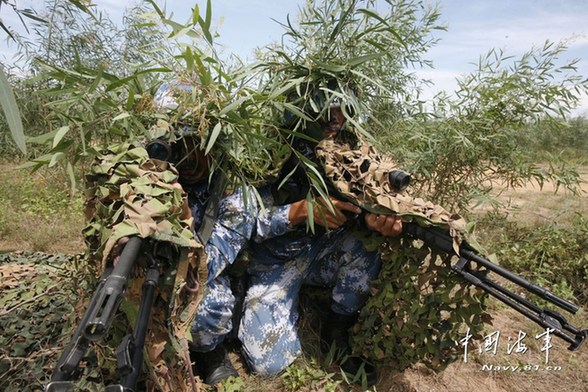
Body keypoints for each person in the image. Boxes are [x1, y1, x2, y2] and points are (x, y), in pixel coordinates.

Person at [238, 83, 402, 386]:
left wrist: (374, 221)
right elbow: (242, 223)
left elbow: (367, 198)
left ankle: (336, 331)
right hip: (275, 262)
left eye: (344, 111)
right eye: (328, 109)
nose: (336, 119)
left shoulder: (350, 148)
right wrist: (299, 211)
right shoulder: (268, 150)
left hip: (322, 250)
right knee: (268, 363)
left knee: (366, 247)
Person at [151, 81, 258, 386]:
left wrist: (182, 216)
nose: (184, 158)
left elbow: (206, 266)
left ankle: (209, 351)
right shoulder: (152, 176)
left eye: (193, 143)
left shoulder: (233, 192)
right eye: (175, 144)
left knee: (209, 304)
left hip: (199, 275)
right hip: (155, 270)